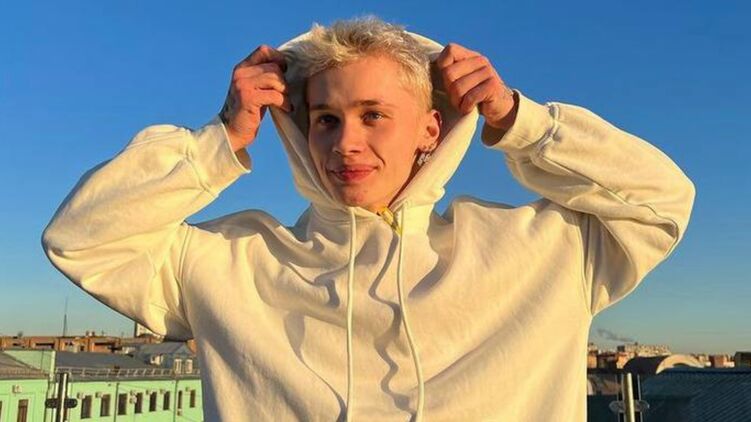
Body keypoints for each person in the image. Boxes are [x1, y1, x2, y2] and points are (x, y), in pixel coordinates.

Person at [42, 16, 695, 422]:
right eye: (325, 119)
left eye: (373, 115)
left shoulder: (538, 250)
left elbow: (660, 201)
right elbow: (82, 240)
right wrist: (220, 139)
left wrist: (521, 120)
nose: (345, 143)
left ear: (430, 129)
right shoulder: (233, 261)